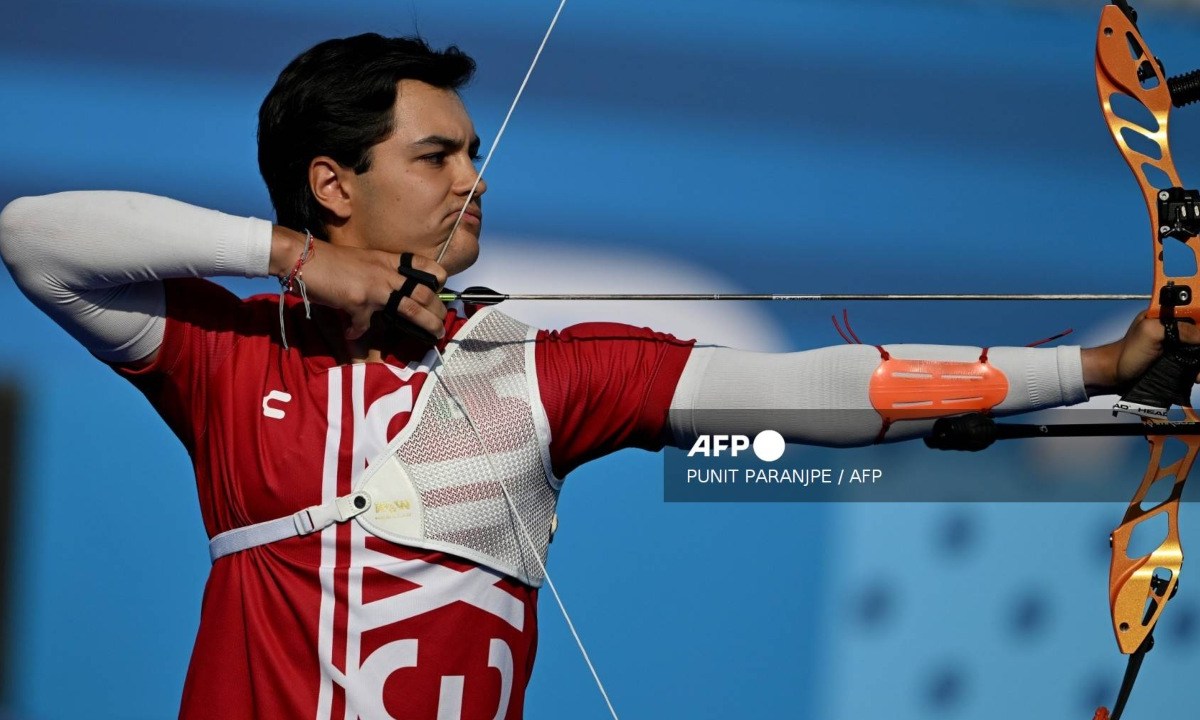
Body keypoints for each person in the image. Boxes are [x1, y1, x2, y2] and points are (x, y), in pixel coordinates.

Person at [0, 33, 1186, 720]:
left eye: (476, 151)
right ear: (331, 183)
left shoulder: (542, 374)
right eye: (436, 154)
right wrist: (296, 266)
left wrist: (1100, 366)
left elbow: (821, 395)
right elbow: (35, 238)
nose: (475, 178)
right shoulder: (231, 353)